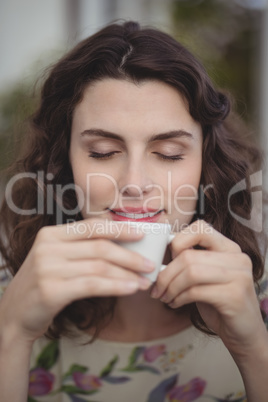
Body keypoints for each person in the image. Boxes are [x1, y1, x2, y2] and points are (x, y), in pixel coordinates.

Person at [0, 20, 267, 402]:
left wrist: (253, 350)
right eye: (103, 152)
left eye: (168, 154)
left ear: (206, 166)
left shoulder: (256, 304)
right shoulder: (12, 304)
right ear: (64, 165)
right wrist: (11, 335)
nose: (135, 182)